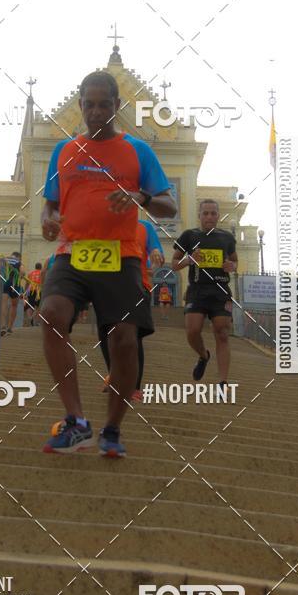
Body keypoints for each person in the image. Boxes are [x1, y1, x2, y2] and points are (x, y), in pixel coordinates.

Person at [39, 69, 176, 456]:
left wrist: (139, 197)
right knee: (50, 313)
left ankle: (112, 428)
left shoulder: (138, 151)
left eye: (104, 104)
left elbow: (169, 205)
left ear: (117, 106)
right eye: (89, 104)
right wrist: (48, 220)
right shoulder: (64, 152)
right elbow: (52, 201)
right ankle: (77, 421)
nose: (96, 112)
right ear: (80, 106)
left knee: (124, 342)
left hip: (121, 256)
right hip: (72, 252)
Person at [171, 199, 237, 390]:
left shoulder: (226, 238)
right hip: (197, 291)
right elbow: (174, 264)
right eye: (205, 213)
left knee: (222, 333)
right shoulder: (189, 236)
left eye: (213, 213)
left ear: (218, 215)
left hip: (220, 291)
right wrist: (189, 259)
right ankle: (203, 355)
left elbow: (234, 261)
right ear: (199, 215)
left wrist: (231, 266)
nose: (209, 217)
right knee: (192, 331)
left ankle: (223, 382)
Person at [100, 218, 164, 400]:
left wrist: (156, 254)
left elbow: (155, 249)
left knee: (133, 336)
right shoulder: (104, 222)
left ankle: (134, 387)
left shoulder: (145, 226)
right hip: (107, 285)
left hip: (138, 285)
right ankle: (113, 375)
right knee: (106, 332)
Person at [1, 251, 24, 336]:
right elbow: (22, 272)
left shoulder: (5, 260)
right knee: (14, 306)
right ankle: (10, 328)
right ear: (18, 257)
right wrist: (20, 277)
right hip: (15, 284)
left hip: (6, 283)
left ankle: (3, 326)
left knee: (4, 304)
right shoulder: (19, 262)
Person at [25, 262, 43, 326]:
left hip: (30, 290)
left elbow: (27, 283)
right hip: (38, 291)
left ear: (35, 267)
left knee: (30, 306)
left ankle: (29, 319)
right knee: (37, 307)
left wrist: (25, 292)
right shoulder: (42, 273)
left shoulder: (30, 273)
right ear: (41, 267)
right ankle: (34, 320)